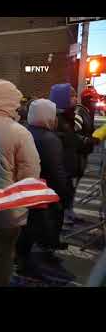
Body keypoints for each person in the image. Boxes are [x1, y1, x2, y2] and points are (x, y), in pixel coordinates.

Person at [0, 79, 40, 287]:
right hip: (7, 206)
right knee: (3, 255)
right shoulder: (20, 132)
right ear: (12, 101)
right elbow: (31, 173)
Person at [16, 99, 74, 278]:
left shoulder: (24, 131)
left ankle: (22, 260)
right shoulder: (49, 139)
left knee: (26, 229)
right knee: (38, 229)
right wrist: (63, 193)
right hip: (44, 191)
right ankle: (30, 265)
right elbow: (56, 170)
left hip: (25, 188)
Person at [48, 83, 99, 226]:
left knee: (69, 189)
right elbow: (69, 138)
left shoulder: (68, 115)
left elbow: (73, 138)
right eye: (72, 96)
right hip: (61, 164)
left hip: (70, 161)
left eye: (76, 96)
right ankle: (60, 217)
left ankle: (66, 213)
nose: (75, 99)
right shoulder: (57, 118)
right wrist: (86, 141)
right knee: (61, 191)